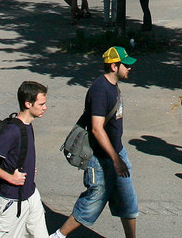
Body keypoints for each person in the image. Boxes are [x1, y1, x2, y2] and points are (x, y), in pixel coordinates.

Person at [52, 47, 139, 238]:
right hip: (101, 159)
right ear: (114, 66)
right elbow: (96, 129)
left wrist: (118, 155)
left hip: (117, 153)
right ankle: (58, 236)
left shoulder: (112, 86)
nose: (130, 68)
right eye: (126, 65)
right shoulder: (100, 90)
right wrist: (115, 159)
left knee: (128, 202)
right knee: (92, 202)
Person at [0, 81, 49, 238]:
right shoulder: (12, 131)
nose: (45, 107)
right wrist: (11, 177)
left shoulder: (28, 125)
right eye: (41, 104)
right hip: (10, 202)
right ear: (28, 104)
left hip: (31, 196)